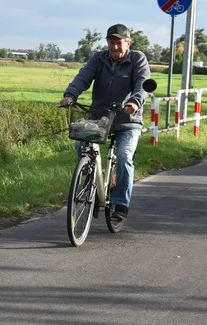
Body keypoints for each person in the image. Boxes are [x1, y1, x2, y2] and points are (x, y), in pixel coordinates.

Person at [59, 23, 150, 222]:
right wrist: (70, 95)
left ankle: (120, 203)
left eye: (119, 43)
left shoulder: (137, 59)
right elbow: (82, 77)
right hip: (100, 117)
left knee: (124, 157)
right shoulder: (98, 58)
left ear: (128, 43)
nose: (115, 47)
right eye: (111, 42)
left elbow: (143, 84)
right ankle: (93, 181)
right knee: (80, 145)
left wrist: (135, 101)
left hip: (128, 120)